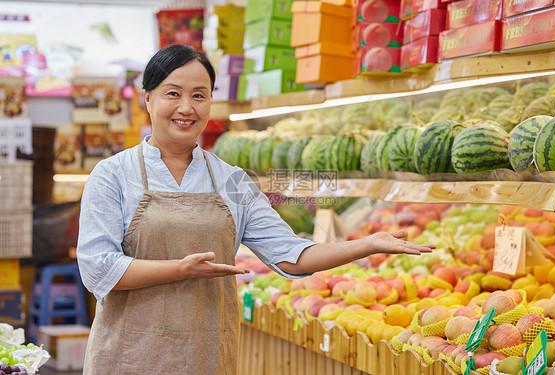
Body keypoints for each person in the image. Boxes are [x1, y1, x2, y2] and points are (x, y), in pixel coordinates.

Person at [76, 44, 434, 374]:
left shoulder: (232, 180)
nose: (187, 107)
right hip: (128, 357)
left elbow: (291, 255)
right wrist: (180, 269)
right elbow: (98, 269)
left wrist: (367, 244)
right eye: (173, 93)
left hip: (205, 357)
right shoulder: (112, 175)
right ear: (148, 99)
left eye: (199, 96)